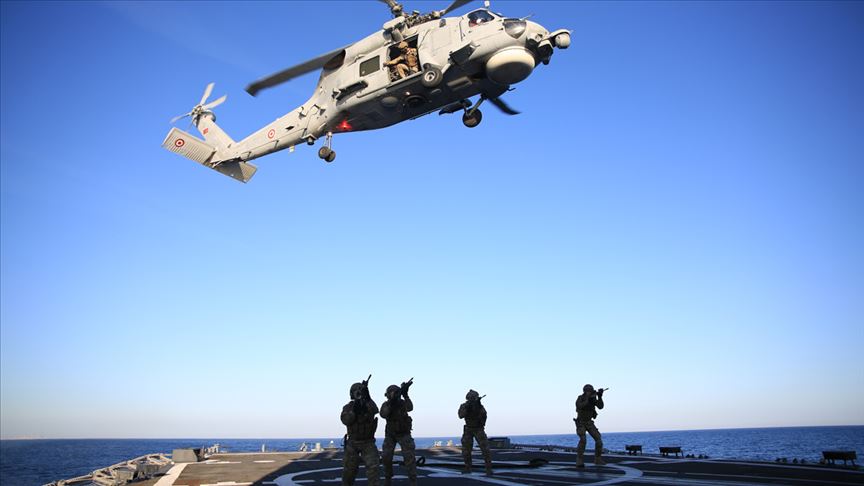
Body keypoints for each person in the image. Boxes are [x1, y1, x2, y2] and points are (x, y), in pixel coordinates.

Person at [341, 378, 380, 485]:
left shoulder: (369, 405)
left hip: (368, 442)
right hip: (353, 443)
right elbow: (345, 420)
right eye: (356, 392)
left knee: (373, 469)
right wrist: (354, 410)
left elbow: (376, 410)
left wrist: (368, 397)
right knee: (349, 472)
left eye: (360, 392)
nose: (359, 394)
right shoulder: (348, 407)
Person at [380, 379, 417, 486]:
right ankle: (388, 478)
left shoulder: (402, 403)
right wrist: (391, 402)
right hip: (390, 435)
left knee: (409, 458)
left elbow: (410, 407)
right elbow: (383, 414)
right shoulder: (386, 404)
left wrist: (406, 395)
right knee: (386, 457)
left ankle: (413, 480)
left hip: (404, 434)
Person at [458, 389, 492, 475]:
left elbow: (484, 416)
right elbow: (460, 415)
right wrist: (467, 408)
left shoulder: (480, 406)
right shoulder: (464, 406)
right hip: (468, 429)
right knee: (466, 450)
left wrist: (478, 409)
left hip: (478, 429)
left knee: (485, 449)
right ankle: (468, 468)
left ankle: (488, 468)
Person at [574, 384, 605, 467]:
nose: (589, 392)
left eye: (590, 391)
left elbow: (600, 406)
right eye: (588, 391)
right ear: (584, 391)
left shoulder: (593, 398)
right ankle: (579, 459)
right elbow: (579, 405)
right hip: (581, 422)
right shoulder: (580, 398)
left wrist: (600, 397)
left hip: (589, 422)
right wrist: (588, 399)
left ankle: (598, 459)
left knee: (598, 440)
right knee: (583, 439)